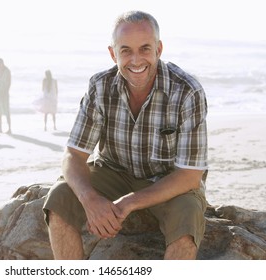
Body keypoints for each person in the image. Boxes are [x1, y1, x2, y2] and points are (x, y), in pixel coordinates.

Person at [43, 11, 208, 260]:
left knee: (187, 220)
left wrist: (129, 202)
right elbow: (74, 154)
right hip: (113, 172)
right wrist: (90, 199)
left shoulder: (187, 91)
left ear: (159, 49)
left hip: (169, 182)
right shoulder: (100, 87)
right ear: (113, 53)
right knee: (59, 198)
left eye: (145, 49)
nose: (136, 60)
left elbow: (190, 175)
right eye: (126, 51)